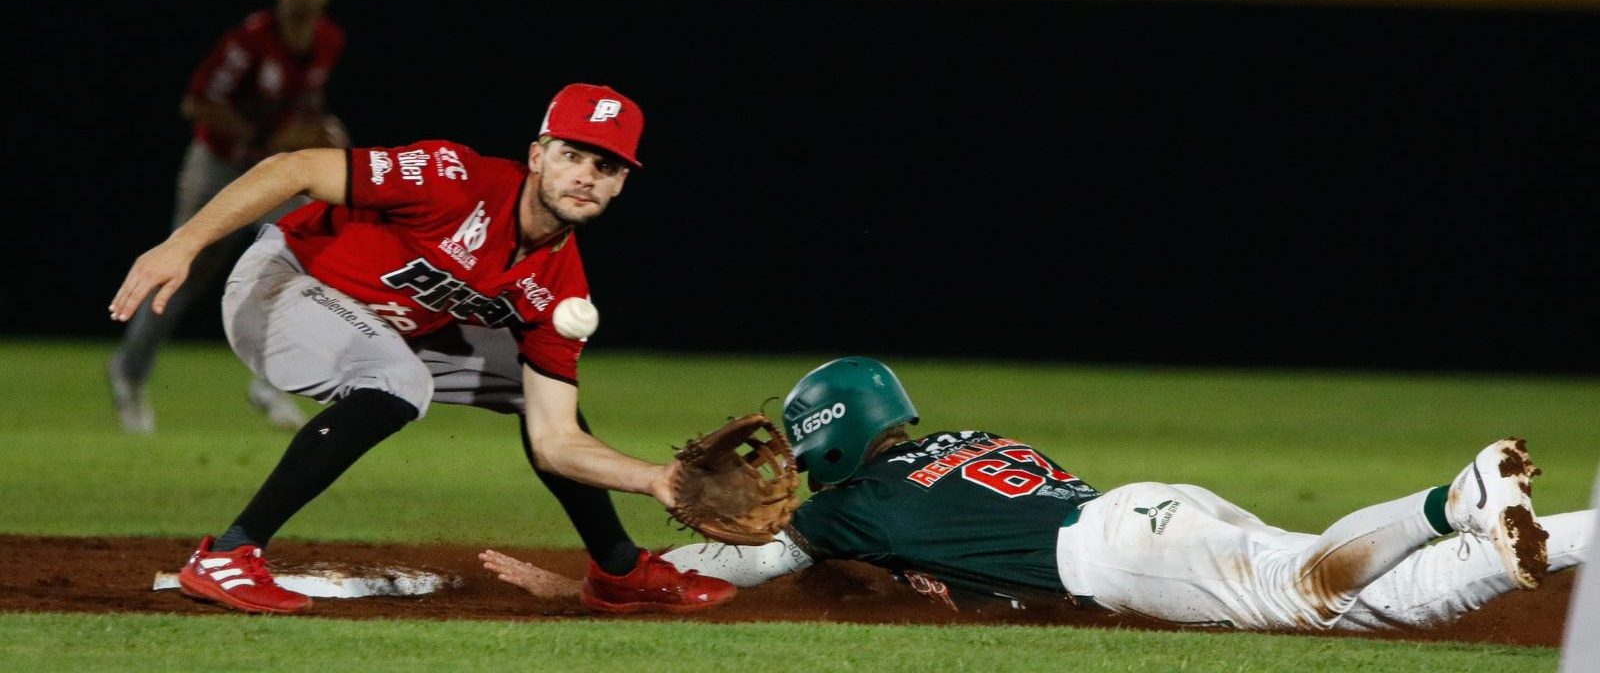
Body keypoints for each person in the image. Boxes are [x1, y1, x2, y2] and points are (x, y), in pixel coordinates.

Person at [108, 83, 734, 615]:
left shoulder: (556, 287)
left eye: (607, 167)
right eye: (574, 155)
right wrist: (183, 245)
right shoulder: (453, 178)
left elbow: (555, 441)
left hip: (388, 323)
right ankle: (227, 554)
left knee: (521, 383)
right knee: (399, 381)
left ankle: (617, 572)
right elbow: (294, 168)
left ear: (622, 184)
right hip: (284, 283)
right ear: (538, 155)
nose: (586, 177)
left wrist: (655, 478)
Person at [487, 357, 1593, 632]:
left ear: (828, 437)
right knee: (1378, 602)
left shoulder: (846, 504)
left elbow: (719, 571)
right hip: (1147, 509)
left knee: (1305, 593)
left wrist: (594, 576)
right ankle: (1572, 529)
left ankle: (1452, 498)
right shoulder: (958, 441)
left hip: (1120, 552)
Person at [109, 0, 348, 434]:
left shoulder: (328, 40)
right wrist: (261, 137)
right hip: (218, 165)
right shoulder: (251, 40)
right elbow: (196, 103)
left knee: (305, 261)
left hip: (273, 172)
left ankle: (272, 380)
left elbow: (304, 102)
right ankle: (129, 373)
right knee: (183, 269)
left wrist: (322, 127)